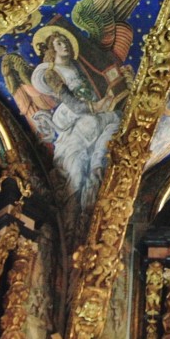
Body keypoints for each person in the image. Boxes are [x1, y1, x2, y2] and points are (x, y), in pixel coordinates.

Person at [31, 27, 123, 209]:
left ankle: (98, 164)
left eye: (66, 41)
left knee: (117, 119)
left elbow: (94, 89)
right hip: (72, 114)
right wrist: (94, 106)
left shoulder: (79, 67)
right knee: (77, 167)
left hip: (94, 111)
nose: (64, 45)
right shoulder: (51, 72)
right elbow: (70, 101)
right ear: (52, 49)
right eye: (59, 43)